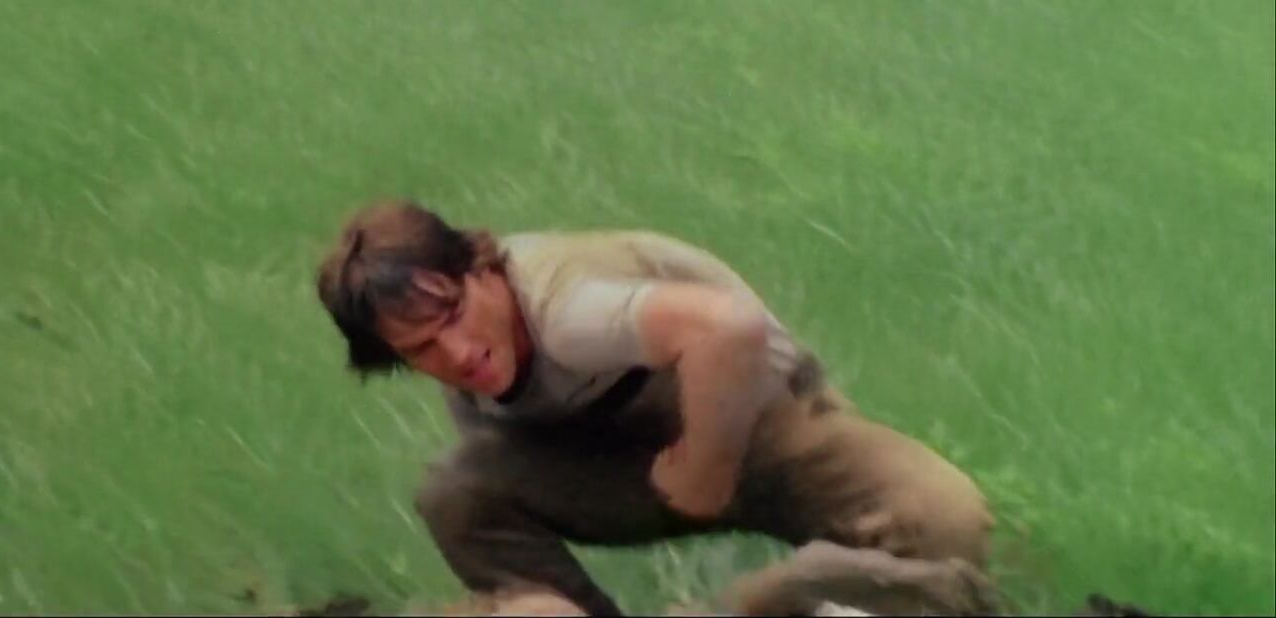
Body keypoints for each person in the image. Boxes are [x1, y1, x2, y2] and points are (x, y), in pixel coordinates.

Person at [315, 199, 996, 616]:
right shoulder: (472, 357)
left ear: (480, 268)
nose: (458, 353)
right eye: (422, 348)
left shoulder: (566, 310)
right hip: (614, 457)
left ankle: (788, 604)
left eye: (456, 314)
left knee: (942, 517)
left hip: (760, 419)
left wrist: (705, 469)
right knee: (457, 493)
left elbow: (725, 328)